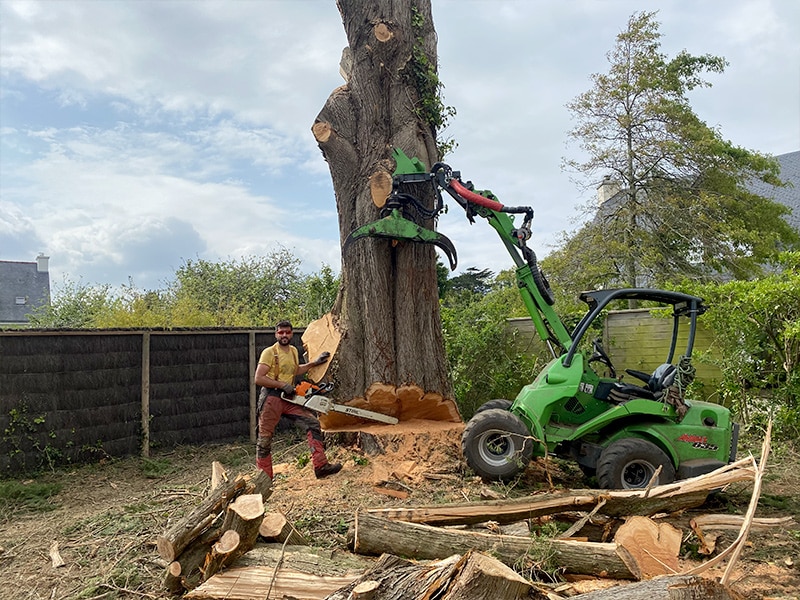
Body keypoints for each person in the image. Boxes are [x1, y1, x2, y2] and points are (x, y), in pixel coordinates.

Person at [253, 320, 342, 480]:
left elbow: (296, 369)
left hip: (289, 397)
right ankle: (264, 480)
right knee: (265, 439)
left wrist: (314, 363)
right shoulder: (269, 352)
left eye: (287, 332)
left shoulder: (293, 351)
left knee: (313, 424)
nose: (284, 335)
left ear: (292, 333)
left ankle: (321, 466)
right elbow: (259, 378)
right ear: (276, 334)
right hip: (272, 398)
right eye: (281, 332)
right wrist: (281, 385)